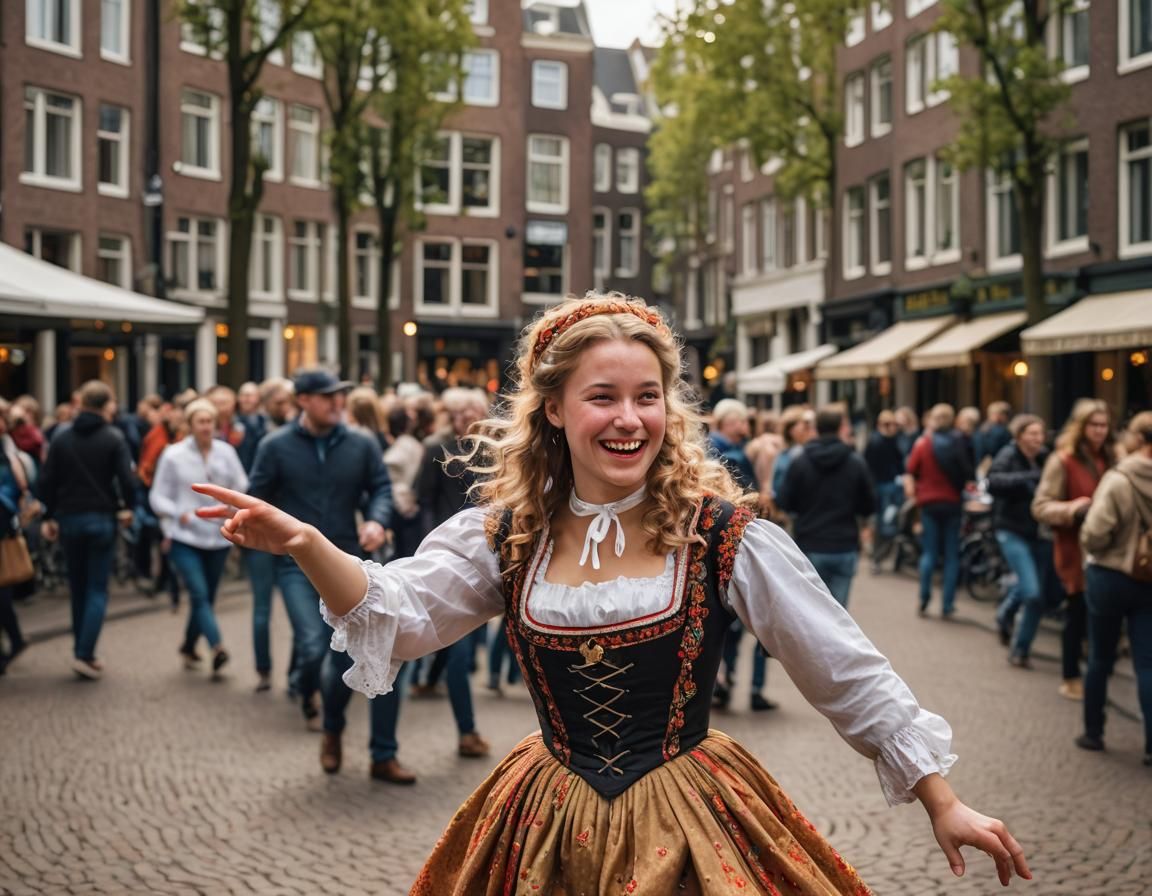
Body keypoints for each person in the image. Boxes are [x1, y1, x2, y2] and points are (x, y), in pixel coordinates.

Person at [197, 294, 1030, 894]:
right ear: (554, 409)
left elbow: (844, 670)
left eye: (647, 396)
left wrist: (942, 800)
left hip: (692, 809)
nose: (629, 418)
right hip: (545, 818)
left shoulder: (722, 537)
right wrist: (307, 544)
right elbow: (400, 616)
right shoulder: (507, 536)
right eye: (602, 397)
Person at [246, 369, 411, 783]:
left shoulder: (361, 443)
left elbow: (381, 489)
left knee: (364, 650)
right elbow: (257, 499)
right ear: (302, 400)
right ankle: (327, 719)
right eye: (326, 397)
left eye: (341, 396)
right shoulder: (274, 446)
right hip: (295, 565)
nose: (338, 403)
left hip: (349, 561)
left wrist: (376, 520)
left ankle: (367, 745)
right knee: (314, 644)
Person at [36, 380, 137, 680]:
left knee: (77, 587)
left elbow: (46, 480)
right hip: (101, 519)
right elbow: (127, 480)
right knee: (96, 589)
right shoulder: (113, 437)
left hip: (69, 519)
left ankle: (81, 648)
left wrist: (49, 515)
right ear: (106, 404)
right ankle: (85, 653)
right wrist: (128, 507)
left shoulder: (62, 437)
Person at [415, 387, 492, 759]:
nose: (466, 418)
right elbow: (424, 500)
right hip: (447, 559)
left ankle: (429, 679)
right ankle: (468, 732)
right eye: (459, 413)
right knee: (460, 653)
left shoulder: (495, 450)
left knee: (460, 642)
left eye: (472, 411)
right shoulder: (435, 448)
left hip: (485, 558)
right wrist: (434, 541)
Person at [150, 399, 247, 675]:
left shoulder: (226, 452)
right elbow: (157, 496)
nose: (206, 426)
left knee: (206, 597)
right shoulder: (173, 455)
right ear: (190, 425)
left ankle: (188, 646)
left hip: (218, 536)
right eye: (200, 422)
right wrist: (177, 512)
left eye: (210, 421)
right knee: (199, 593)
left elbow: (242, 486)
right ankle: (217, 646)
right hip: (184, 537)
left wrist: (233, 508)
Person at [1076, 412, 1152, 766]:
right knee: (1147, 665)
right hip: (1147, 579)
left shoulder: (1119, 478)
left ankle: (1094, 732)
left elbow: (1094, 533)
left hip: (1110, 575)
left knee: (1101, 658)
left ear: (1137, 438)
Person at [1032, 399, 1116, 702]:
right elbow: (1040, 506)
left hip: (1109, 551)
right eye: (1093, 425)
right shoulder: (1062, 460)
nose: (1099, 431)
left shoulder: (1114, 458)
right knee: (1077, 615)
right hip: (1074, 550)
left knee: (1103, 619)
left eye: (1104, 425)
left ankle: (1098, 677)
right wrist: (1073, 509)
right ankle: (1070, 675)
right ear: (1081, 427)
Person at [778, 406, 875, 609]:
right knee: (838, 614)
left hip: (809, 543)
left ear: (816, 428)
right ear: (841, 427)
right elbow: (868, 504)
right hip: (843, 544)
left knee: (811, 610)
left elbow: (785, 501)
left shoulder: (800, 461)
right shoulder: (855, 462)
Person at [986, 416, 1055, 667]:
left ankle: (1009, 621)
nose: (1038, 439)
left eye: (1041, 434)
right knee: (1033, 593)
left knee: (1037, 592)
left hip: (1041, 533)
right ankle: (1018, 648)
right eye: (1032, 433)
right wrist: (1028, 477)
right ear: (1019, 435)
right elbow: (993, 481)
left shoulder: (1046, 457)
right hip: (1011, 530)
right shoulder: (1007, 454)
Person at [246, 377, 295, 692]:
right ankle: (263, 669)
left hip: (292, 532)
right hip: (263, 535)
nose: (286, 408)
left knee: (302, 613)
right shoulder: (255, 437)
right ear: (266, 404)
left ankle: (296, 676)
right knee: (262, 606)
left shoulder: (296, 436)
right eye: (280, 403)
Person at [906, 404, 973, 618]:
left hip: (928, 503)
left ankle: (924, 597)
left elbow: (910, 470)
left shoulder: (923, 444)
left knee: (929, 553)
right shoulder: (959, 442)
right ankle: (947, 604)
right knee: (952, 554)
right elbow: (967, 472)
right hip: (952, 503)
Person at [864, 410, 905, 570]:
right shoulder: (877, 442)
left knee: (889, 523)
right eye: (889, 424)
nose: (892, 428)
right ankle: (878, 557)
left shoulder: (891, 441)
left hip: (890, 486)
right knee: (885, 524)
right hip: (882, 488)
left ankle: (881, 557)